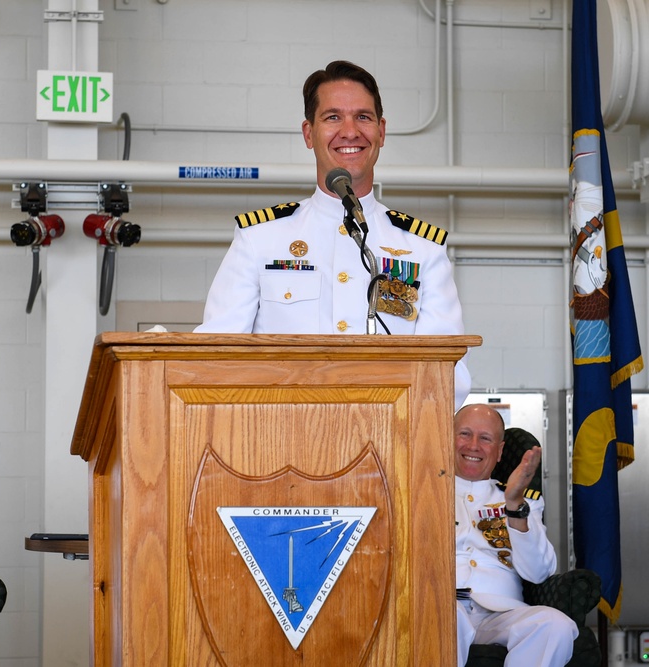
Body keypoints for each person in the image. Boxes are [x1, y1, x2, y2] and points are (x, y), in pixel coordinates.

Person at [195, 60, 470, 407]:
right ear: (309, 133)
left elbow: (450, 373)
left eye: (364, 117)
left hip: (389, 445)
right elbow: (216, 355)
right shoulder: (260, 239)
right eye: (333, 117)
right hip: (279, 440)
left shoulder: (422, 248)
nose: (351, 131)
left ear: (381, 131)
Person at [454, 403, 577, 666]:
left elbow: (539, 572)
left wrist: (513, 505)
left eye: (485, 438)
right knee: (442, 616)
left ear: (499, 452)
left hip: (501, 613)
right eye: (464, 434)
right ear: (447, 438)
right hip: (443, 606)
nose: (473, 445)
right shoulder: (418, 491)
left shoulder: (522, 500)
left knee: (556, 626)